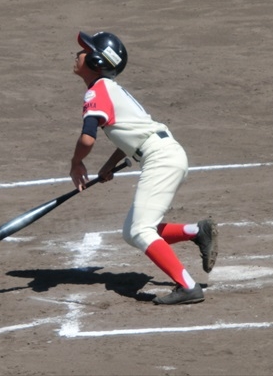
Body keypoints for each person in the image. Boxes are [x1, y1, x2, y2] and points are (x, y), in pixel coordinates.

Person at [69, 30, 218, 305]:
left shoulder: (97, 91)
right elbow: (134, 133)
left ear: (96, 62)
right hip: (165, 154)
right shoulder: (110, 89)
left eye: (85, 51)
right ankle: (197, 232)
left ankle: (188, 286)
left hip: (161, 158)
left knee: (141, 231)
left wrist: (76, 163)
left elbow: (88, 137)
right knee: (132, 231)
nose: (78, 54)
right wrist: (109, 165)